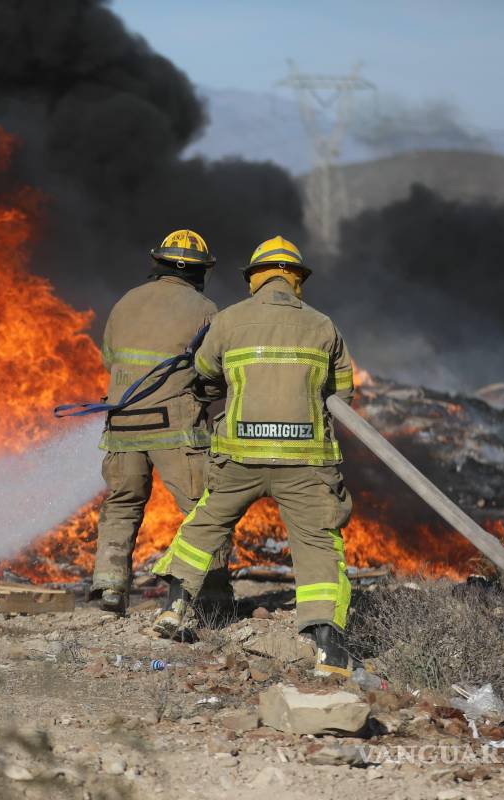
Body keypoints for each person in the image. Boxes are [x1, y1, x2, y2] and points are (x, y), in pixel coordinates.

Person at [150, 235, 357, 676]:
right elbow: (344, 393)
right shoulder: (324, 326)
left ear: (255, 279)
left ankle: (173, 608)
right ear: (296, 279)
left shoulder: (228, 321)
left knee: (206, 523)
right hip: (305, 463)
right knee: (319, 544)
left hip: (239, 456)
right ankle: (329, 651)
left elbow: (203, 377)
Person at [91, 229, 231, 615]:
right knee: (205, 509)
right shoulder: (206, 309)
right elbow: (212, 369)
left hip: (121, 423)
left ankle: (109, 586)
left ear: (158, 264)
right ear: (200, 271)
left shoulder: (125, 302)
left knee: (121, 503)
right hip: (176, 428)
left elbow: (109, 359)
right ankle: (214, 594)